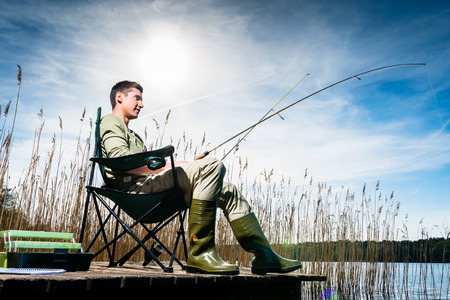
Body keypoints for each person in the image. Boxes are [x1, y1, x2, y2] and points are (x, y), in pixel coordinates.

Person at [100, 80, 302, 275]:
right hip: (136, 193)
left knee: (228, 191)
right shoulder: (111, 121)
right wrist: (173, 165)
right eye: (137, 98)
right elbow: (121, 161)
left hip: (151, 187)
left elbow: (145, 166)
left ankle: (264, 255)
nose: (142, 104)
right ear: (119, 97)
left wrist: (188, 165)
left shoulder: (133, 135)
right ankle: (200, 253)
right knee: (212, 165)